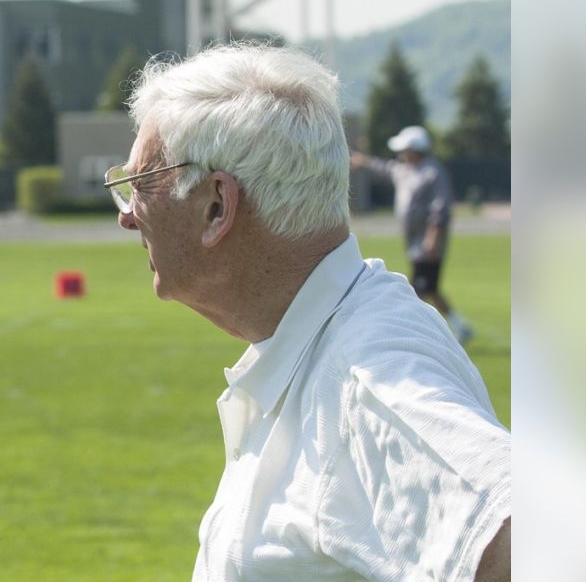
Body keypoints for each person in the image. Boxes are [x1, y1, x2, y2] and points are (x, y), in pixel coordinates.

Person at [104, 45, 510, 581]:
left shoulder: (367, 380)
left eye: (140, 185)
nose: (128, 216)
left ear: (216, 206)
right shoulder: (330, 339)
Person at [351, 125, 474, 344]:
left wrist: (432, 236)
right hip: (415, 242)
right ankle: (459, 326)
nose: (401, 153)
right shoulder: (405, 170)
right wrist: (365, 162)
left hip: (427, 242)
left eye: (405, 149)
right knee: (430, 288)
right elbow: (386, 168)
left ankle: (422, 334)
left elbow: (441, 207)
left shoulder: (432, 172)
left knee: (418, 290)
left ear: (415, 149)